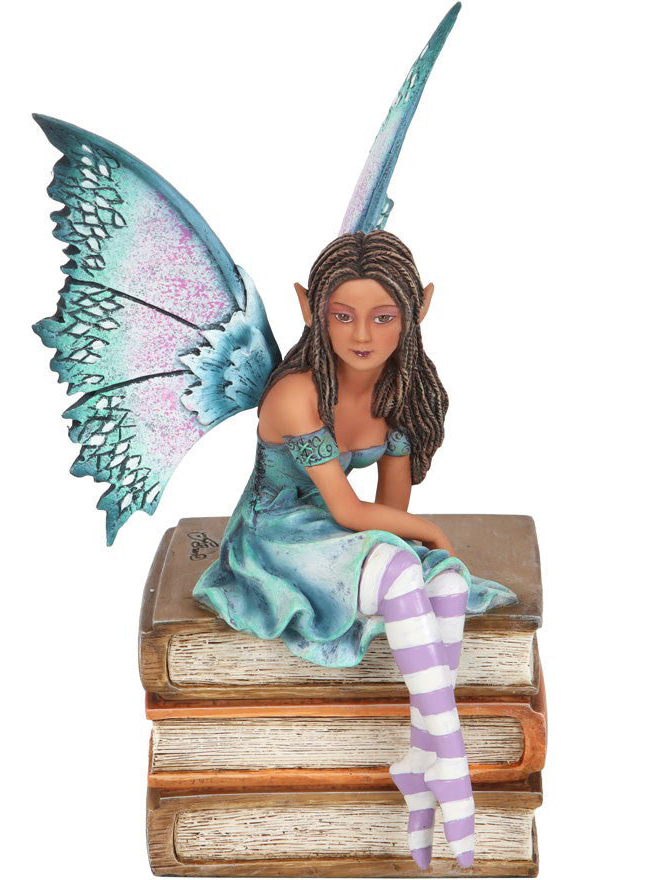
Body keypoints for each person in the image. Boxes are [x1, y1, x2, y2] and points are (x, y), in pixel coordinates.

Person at [193, 229, 516, 869]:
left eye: (383, 317)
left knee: (448, 582)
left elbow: (389, 509)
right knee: (400, 566)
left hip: (337, 535)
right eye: (343, 316)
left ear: (418, 309)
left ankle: (421, 755)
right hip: (274, 535)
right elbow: (347, 510)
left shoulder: (400, 396)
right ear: (310, 308)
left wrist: (420, 541)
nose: (362, 335)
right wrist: (427, 534)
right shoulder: (296, 396)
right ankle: (451, 763)